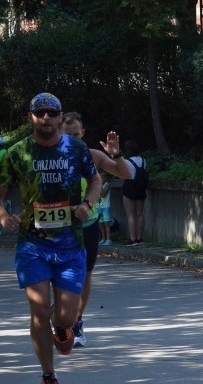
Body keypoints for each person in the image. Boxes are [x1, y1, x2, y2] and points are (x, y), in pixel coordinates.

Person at [0, 93, 103, 384]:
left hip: (70, 244)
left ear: (59, 117)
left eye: (52, 113)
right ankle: (48, 376)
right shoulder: (17, 153)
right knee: (38, 311)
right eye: (40, 113)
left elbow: (96, 180)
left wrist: (88, 204)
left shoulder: (75, 148)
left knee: (65, 315)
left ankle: (63, 328)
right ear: (31, 117)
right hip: (32, 245)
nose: (46, 118)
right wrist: (2, 216)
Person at [59, 111, 133, 349]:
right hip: (58, 226)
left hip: (87, 225)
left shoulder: (92, 155)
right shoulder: (48, 157)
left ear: (83, 133)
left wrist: (116, 155)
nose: (72, 139)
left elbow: (126, 174)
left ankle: (76, 321)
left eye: (76, 134)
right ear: (59, 133)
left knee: (84, 275)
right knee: (58, 277)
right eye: (67, 135)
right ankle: (62, 318)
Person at [121, 140, 147, 246]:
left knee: (130, 214)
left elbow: (124, 176)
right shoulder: (143, 160)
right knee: (140, 213)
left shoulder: (126, 162)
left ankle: (132, 239)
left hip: (129, 187)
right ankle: (140, 238)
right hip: (141, 187)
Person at [98, 178, 112, 246]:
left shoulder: (107, 184)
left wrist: (99, 184)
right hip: (98, 207)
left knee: (106, 223)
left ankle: (108, 240)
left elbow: (103, 194)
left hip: (105, 207)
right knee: (101, 224)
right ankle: (103, 239)